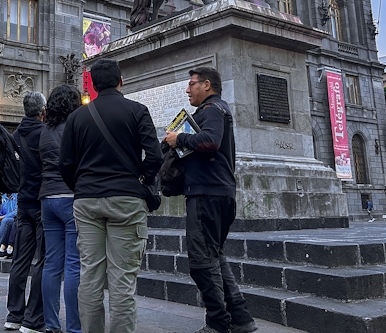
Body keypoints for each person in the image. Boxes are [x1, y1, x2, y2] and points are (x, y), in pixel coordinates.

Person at [59, 58, 163, 333]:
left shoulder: (76, 117)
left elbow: (65, 164)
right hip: (127, 199)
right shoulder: (137, 111)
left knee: (90, 276)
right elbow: (155, 156)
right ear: (121, 81)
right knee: (122, 282)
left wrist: (81, 187)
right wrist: (141, 180)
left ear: (92, 85)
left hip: (87, 200)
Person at [164, 67, 256, 333]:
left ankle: (217, 323)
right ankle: (240, 317)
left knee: (201, 261)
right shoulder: (217, 110)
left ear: (206, 85)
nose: (187, 89)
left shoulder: (212, 110)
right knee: (214, 256)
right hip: (218, 191)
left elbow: (211, 141)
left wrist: (177, 138)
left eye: (191, 84)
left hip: (207, 193)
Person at [39, 85, 82, 333]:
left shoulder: (44, 131)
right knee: (73, 264)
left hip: (47, 198)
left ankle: (52, 325)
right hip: (70, 197)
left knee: (52, 263)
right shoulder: (74, 129)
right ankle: (74, 327)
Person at [5, 92, 47, 333]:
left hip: (23, 204)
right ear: (42, 111)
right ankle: (33, 317)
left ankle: (14, 314)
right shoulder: (46, 134)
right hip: (42, 203)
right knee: (42, 260)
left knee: (20, 259)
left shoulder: (14, 136)